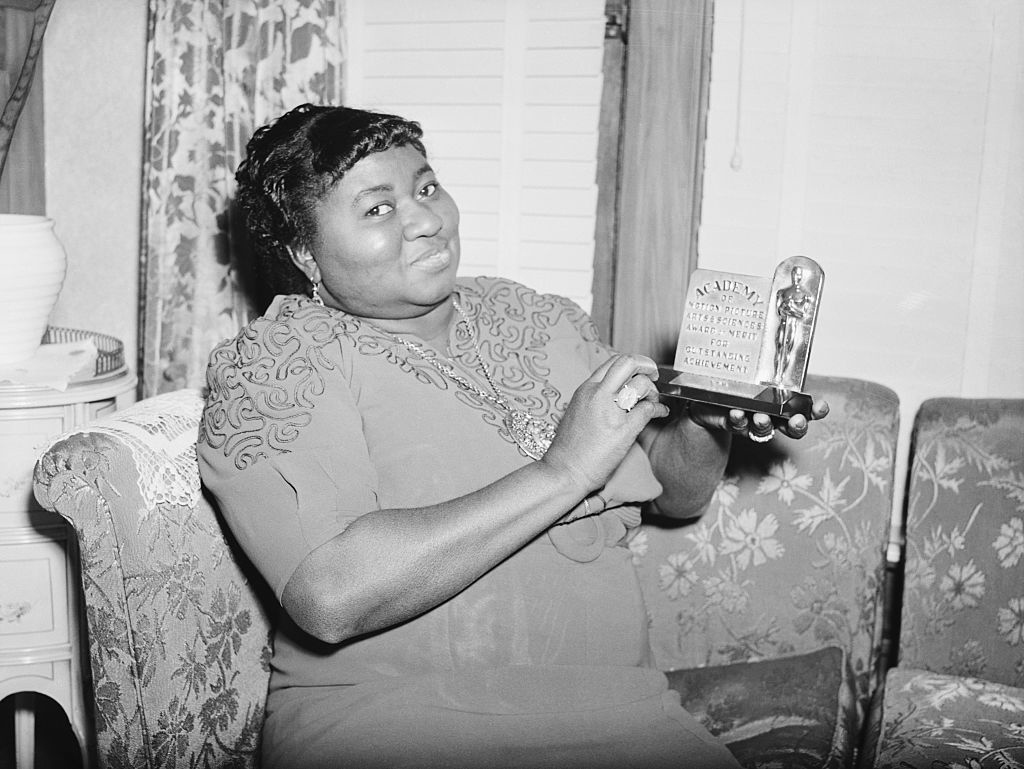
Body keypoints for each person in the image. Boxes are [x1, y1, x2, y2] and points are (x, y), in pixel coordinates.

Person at [197, 103, 829, 769]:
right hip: (394, 724)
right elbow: (329, 595)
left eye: (426, 187)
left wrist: (704, 421)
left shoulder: (534, 316)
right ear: (305, 253)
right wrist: (562, 472)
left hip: (626, 717)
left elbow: (677, 494)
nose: (425, 219)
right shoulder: (278, 361)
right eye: (378, 208)